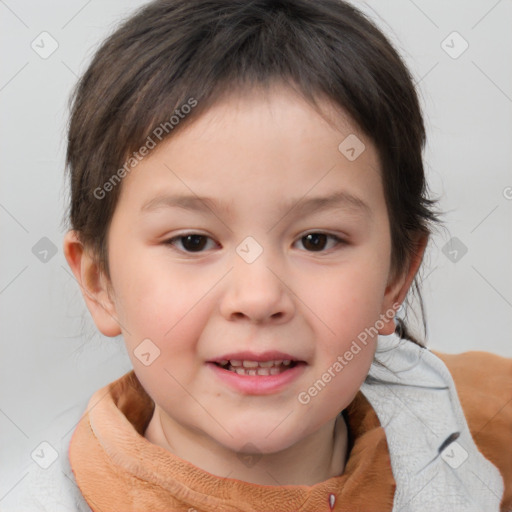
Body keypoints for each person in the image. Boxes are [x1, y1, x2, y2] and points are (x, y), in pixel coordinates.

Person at [22, 0, 512, 510]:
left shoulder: (483, 420)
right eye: (192, 241)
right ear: (99, 281)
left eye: (317, 240)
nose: (258, 298)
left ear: (396, 278)